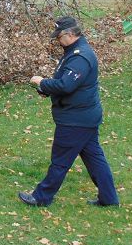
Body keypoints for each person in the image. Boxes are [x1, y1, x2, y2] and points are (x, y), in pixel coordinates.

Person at [19, 16, 119, 208]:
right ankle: (109, 198)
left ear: (69, 34)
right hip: (84, 116)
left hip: (76, 119)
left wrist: (41, 82)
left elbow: (66, 85)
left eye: (59, 37)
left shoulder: (81, 57)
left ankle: (41, 197)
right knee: (94, 158)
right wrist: (46, 89)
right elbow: (65, 81)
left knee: (60, 160)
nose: (57, 41)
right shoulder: (73, 51)